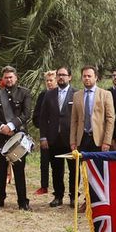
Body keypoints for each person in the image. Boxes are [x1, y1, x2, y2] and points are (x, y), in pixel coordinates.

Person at [0, 66, 32, 211]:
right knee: (0, 171)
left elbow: (26, 114)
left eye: (11, 77)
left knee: (19, 171)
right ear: (3, 79)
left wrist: (11, 125)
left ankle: (23, 202)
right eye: (6, 77)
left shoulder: (24, 93)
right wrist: (1, 127)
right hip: (0, 137)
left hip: (18, 137)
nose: (9, 79)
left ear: (16, 78)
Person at [35, 66, 76, 206]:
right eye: (59, 75)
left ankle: (73, 196)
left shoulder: (76, 94)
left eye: (64, 75)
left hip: (71, 139)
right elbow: (42, 118)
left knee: (73, 170)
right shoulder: (49, 94)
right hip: (53, 138)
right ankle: (58, 196)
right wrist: (43, 137)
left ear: (70, 77)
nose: (60, 77)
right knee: (56, 169)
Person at [69, 66, 115, 171]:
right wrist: (73, 141)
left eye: (89, 76)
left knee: (99, 171)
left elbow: (110, 119)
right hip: (83, 139)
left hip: (99, 140)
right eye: (84, 76)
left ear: (96, 77)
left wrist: (107, 141)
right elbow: (74, 120)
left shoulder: (106, 94)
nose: (86, 78)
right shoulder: (77, 95)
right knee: (85, 170)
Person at [34, 70, 57, 196]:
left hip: (59, 134)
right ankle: (44, 186)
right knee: (44, 161)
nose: (49, 83)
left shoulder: (61, 94)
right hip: (45, 133)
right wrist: (43, 126)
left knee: (57, 163)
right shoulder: (43, 95)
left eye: (51, 80)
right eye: (47, 81)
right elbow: (36, 115)